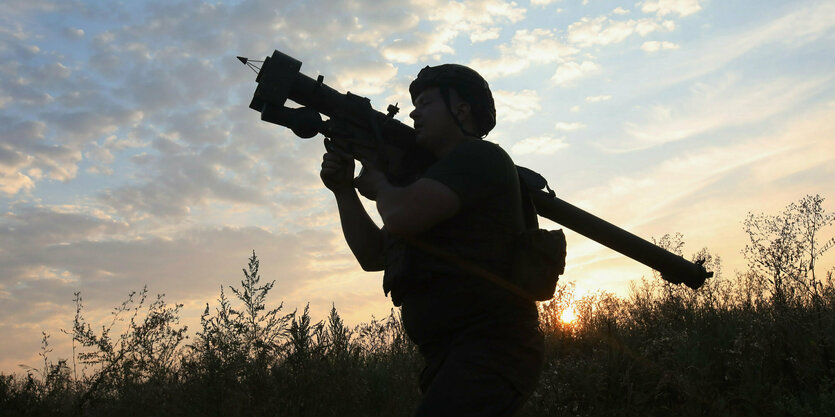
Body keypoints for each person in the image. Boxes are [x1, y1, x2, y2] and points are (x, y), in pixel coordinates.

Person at [320, 64, 543, 416]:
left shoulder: (478, 157)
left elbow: (400, 217)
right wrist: (344, 190)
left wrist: (379, 185)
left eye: (425, 103)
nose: (412, 112)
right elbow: (374, 255)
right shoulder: (428, 183)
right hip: (451, 354)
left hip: (491, 348)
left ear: (461, 109)